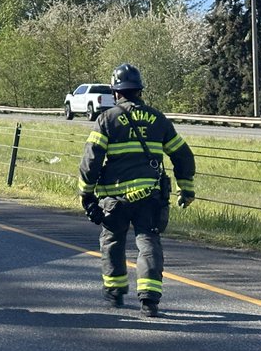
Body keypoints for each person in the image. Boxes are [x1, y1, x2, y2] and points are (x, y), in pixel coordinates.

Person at [78, 63, 196, 317]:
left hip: (115, 198)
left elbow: (91, 160)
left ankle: (115, 292)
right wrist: (185, 188)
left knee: (112, 241)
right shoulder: (158, 119)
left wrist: (86, 195)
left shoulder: (107, 119)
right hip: (150, 197)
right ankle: (150, 300)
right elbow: (182, 155)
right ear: (140, 90)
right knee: (148, 242)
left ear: (115, 92)